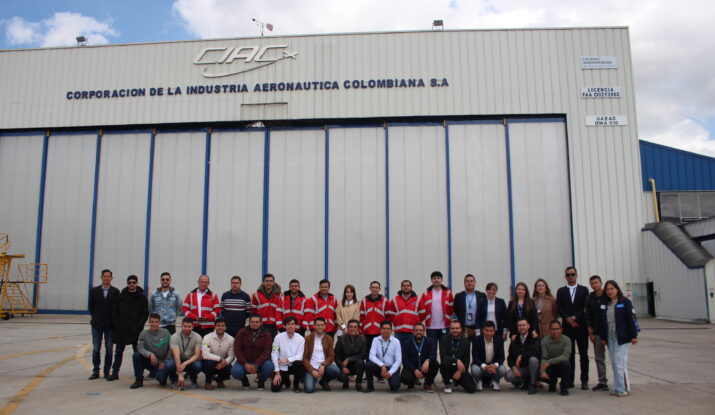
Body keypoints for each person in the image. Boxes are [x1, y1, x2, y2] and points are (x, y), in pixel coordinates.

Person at [598, 280, 638, 397]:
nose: (610, 291)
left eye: (612, 289)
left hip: (622, 337)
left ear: (617, 289)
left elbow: (631, 320)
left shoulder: (624, 302)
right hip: (610, 337)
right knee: (614, 362)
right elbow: (602, 322)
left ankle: (623, 388)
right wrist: (603, 337)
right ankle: (617, 387)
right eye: (607, 289)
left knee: (620, 362)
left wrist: (633, 335)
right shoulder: (605, 304)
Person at [556, 266, 590, 389]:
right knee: (569, 355)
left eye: (572, 274)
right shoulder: (561, 291)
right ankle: (569, 380)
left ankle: (584, 380)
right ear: (565, 277)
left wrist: (575, 318)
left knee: (583, 355)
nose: (570, 277)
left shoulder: (584, 290)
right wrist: (568, 319)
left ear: (576, 275)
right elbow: (559, 307)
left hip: (581, 326)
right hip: (567, 327)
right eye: (568, 275)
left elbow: (585, 307)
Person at [110, 275, 148, 380]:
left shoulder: (142, 298)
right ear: (127, 283)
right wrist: (116, 324)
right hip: (121, 330)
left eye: (133, 282)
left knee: (137, 354)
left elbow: (144, 314)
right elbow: (114, 311)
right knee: (118, 352)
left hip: (135, 330)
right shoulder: (121, 296)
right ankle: (115, 372)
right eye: (129, 282)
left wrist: (138, 326)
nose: (131, 284)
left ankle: (138, 375)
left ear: (137, 283)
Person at [88, 269, 119, 380]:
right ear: (101, 278)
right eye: (104, 276)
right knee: (96, 348)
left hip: (110, 325)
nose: (106, 278)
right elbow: (91, 307)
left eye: (108, 276)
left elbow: (116, 308)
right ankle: (96, 371)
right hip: (97, 324)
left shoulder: (115, 292)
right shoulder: (94, 291)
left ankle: (107, 371)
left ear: (111, 278)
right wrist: (96, 318)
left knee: (109, 349)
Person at [232, 314, 274, 390]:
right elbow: (237, 350)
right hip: (244, 362)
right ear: (249, 322)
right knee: (235, 371)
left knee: (270, 366)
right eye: (252, 322)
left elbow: (267, 352)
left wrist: (257, 364)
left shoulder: (266, 335)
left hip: (260, 363)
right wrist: (245, 363)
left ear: (261, 323)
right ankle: (244, 380)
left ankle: (261, 381)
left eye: (257, 322)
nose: (254, 324)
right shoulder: (241, 333)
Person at [130, 313, 171, 389]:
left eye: (156, 322)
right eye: (152, 322)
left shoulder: (166, 333)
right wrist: (150, 354)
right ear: (149, 322)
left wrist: (165, 361)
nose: (154, 324)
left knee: (162, 381)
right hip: (149, 360)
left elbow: (171, 348)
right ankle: (138, 380)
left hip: (161, 362)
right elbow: (140, 348)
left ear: (159, 322)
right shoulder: (143, 333)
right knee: (136, 355)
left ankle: (160, 374)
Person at [302, 317, 340, 393]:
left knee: (336, 370)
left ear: (325, 326)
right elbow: (304, 358)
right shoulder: (308, 338)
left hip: (324, 367)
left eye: (322, 325)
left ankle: (324, 381)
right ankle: (311, 378)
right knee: (309, 389)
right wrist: (312, 370)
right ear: (314, 326)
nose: (320, 327)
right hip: (311, 367)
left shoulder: (329, 339)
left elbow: (331, 355)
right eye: (318, 325)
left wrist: (323, 365)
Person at [505, 318, 542, 394]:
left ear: (528, 326)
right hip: (522, 368)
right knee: (508, 376)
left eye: (524, 325)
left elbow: (536, 352)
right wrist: (514, 367)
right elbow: (510, 358)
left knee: (533, 359)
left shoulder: (534, 337)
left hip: (534, 367)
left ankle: (533, 384)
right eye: (519, 326)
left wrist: (522, 355)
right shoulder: (515, 339)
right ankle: (526, 381)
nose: (522, 327)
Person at [585, 275, 609, 391]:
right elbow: (587, 315)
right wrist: (590, 332)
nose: (594, 285)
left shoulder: (608, 296)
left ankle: (621, 381)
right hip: (597, 333)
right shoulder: (589, 298)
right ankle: (602, 382)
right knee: (599, 358)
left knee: (616, 358)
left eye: (596, 283)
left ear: (601, 283)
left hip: (610, 332)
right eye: (592, 283)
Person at [439, 320, 477, 394]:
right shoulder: (444, 339)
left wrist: (459, 372)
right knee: (444, 364)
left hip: (459, 369)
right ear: (450, 329)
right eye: (453, 328)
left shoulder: (466, 342)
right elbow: (443, 356)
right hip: (448, 367)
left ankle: (456, 381)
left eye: (457, 328)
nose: (455, 330)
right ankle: (447, 384)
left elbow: (467, 361)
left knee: (472, 388)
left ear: (461, 329)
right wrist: (456, 360)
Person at [418, 271, 454, 348]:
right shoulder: (426, 293)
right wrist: (419, 322)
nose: (436, 280)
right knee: (431, 349)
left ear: (442, 280)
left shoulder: (448, 293)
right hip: (431, 327)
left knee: (444, 350)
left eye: (438, 278)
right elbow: (421, 309)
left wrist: (450, 320)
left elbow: (451, 308)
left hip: (444, 326)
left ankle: (444, 361)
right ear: (431, 280)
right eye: (434, 278)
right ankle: (432, 361)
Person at [166, 317, 203, 390]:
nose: (187, 328)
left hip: (190, 360)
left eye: (189, 327)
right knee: (169, 365)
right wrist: (180, 374)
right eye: (185, 326)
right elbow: (176, 356)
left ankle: (193, 380)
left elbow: (197, 355)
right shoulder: (174, 337)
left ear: (192, 327)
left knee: (198, 365)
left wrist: (184, 364)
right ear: (181, 326)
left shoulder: (198, 337)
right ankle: (174, 380)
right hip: (178, 359)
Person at [365, 320, 401, 393]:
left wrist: (390, 372)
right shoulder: (376, 340)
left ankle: (391, 379)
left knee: (395, 387)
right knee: (368, 365)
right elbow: (371, 356)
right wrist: (382, 365)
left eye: (388, 329)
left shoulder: (396, 341)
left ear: (391, 330)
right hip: (380, 367)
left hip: (391, 367)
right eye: (384, 329)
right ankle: (370, 386)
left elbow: (398, 360)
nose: (386, 331)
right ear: (380, 330)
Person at [400, 322, 438, 392]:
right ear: (413, 332)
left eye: (420, 330)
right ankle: (411, 383)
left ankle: (427, 384)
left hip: (425, 367)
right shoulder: (407, 343)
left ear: (424, 332)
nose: (418, 332)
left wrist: (427, 360)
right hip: (413, 368)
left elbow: (433, 354)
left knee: (435, 364)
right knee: (405, 378)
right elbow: (404, 360)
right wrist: (415, 370)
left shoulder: (430, 341)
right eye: (416, 330)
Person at [271, 316, 305, 393]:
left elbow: (300, 356)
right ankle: (286, 379)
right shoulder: (278, 337)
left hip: (294, 365)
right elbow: (274, 353)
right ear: (284, 326)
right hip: (282, 366)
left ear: (295, 325)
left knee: (298, 363)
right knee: (275, 389)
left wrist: (287, 359)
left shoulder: (301, 339)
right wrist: (277, 372)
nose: (290, 326)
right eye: (288, 324)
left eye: (292, 324)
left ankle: (296, 384)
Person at [470, 321, 506, 391]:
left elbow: (502, 357)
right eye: (486, 330)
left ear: (494, 331)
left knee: (502, 369)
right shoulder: (476, 340)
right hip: (481, 366)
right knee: (474, 369)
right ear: (483, 330)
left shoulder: (499, 340)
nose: (489, 333)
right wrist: (485, 366)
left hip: (493, 367)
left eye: (491, 331)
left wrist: (495, 365)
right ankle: (478, 381)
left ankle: (494, 381)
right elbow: (475, 358)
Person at [201, 318, 235, 390]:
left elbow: (231, 356)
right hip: (209, 362)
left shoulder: (231, 339)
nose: (220, 327)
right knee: (209, 364)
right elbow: (205, 354)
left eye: (222, 326)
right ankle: (208, 382)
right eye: (218, 325)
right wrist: (220, 359)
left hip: (223, 362)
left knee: (230, 369)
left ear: (225, 327)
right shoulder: (206, 337)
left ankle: (219, 380)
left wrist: (225, 362)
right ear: (215, 326)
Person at [540, 320, 572, 396]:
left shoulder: (566, 340)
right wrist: (542, 371)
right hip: (550, 367)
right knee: (539, 372)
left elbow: (565, 356)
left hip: (560, 365)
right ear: (549, 330)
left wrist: (550, 361)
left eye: (557, 329)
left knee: (566, 364)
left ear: (561, 329)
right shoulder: (544, 341)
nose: (555, 331)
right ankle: (552, 383)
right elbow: (544, 357)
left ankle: (564, 387)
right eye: (553, 329)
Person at [335, 319, 367, 391]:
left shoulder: (362, 339)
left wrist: (349, 359)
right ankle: (345, 381)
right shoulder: (341, 339)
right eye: (351, 327)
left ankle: (358, 383)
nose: (353, 329)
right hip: (344, 365)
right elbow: (336, 356)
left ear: (358, 328)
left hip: (356, 364)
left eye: (355, 327)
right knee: (341, 377)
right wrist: (342, 367)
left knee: (361, 363)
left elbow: (363, 355)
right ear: (348, 328)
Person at [453, 274, 487, 340]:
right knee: (464, 349)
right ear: (464, 283)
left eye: (471, 281)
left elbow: (484, 312)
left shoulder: (481, 295)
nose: (469, 283)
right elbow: (456, 310)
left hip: (478, 328)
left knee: (477, 349)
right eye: (467, 281)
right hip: (464, 328)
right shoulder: (458, 296)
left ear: (475, 283)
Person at [388, 279, 420, 345]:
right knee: (399, 351)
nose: (406, 287)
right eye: (404, 286)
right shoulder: (395, 300)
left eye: (408, 286)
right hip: (399, 331)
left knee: (412, 351)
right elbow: (391, 315)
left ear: (411, 287)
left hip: (413, 331)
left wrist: (416, 323)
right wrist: (397, 323)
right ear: (401, 288)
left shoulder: (417, 299)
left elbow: (422, 314)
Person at [252, 273, 283, 337]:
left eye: (270, 281)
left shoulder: (279, 295)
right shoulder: (256, 295)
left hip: (274, 325)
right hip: (261, 325)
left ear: (274, 282)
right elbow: (253, 311)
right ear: (263, 282)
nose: (268, 283)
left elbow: (281, 311)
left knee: (272, 344)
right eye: (266, 281)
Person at [360, 281, 389, 346]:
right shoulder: (340, 304)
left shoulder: (385, 301)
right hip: (366, 332)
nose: (374, 289)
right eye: (373, 287)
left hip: (380, 332)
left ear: (379, 289)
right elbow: (361, 318)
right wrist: (344, 327)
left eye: (376, 287)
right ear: (370, 288)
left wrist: (386, 331)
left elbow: (388, 318)